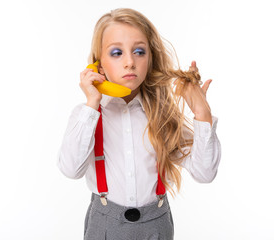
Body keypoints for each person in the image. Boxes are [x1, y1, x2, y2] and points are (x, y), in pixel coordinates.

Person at [57, 8, 221, 240]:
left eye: (139, 51)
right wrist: (92, 104)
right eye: (116, 53)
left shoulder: (163, 115)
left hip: (156, 225)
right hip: (104, 223)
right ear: (98, 65)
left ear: (150, 59)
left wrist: (202, 113)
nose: (130, 62)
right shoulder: (87, 115)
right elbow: (71, 169)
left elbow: (205, 173)